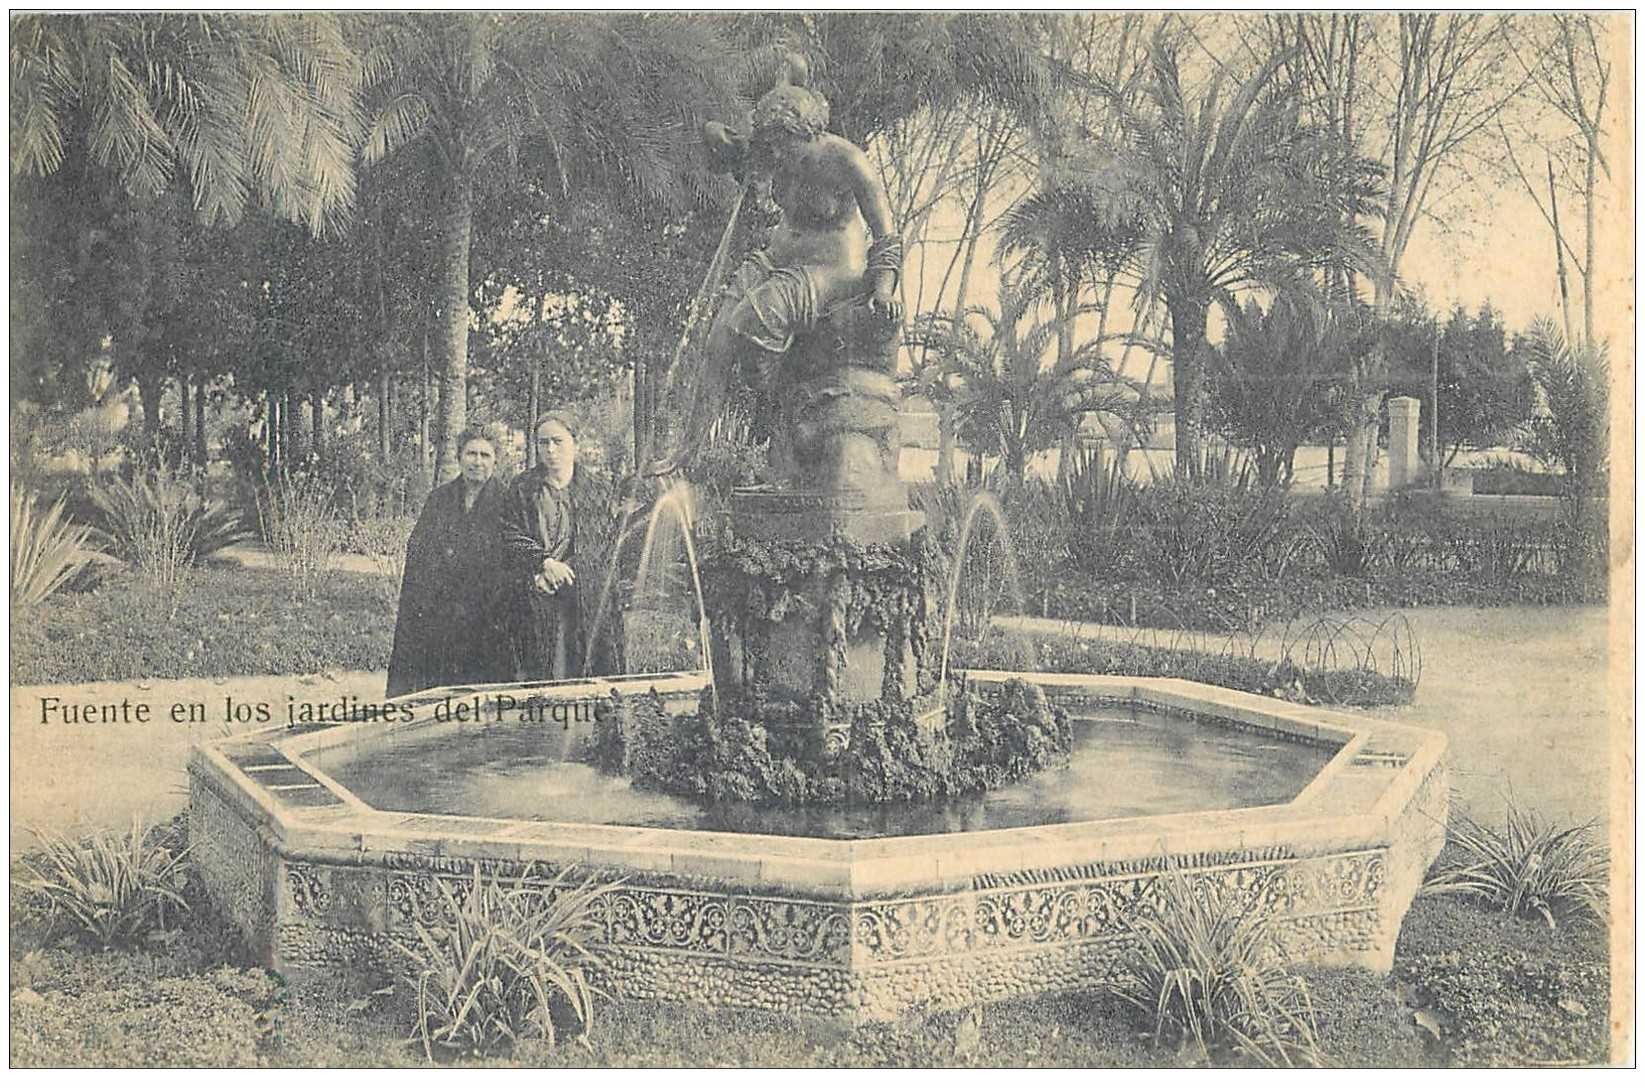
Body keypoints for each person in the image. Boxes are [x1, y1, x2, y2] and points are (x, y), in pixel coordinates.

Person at [647, 54, 904, 478]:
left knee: (747, 323)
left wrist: (882, 289)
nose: (777, 157)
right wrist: (725, 143)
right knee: (716, 342)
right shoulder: (774, 148)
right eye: (772, 147)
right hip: (777, 258)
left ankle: (775, 403)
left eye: (785, 147)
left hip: (831, 270)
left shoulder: (845, 160)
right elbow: (714, 140)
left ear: (807, 134)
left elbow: (887, 233)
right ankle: (685, 452)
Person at [385, 426, 513, 698]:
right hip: (442, 615)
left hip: (487, 618)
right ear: (459, 457)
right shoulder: (440, 499)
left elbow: (512, 559)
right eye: (471, 454)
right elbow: (419, 552)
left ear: (495, 461)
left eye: (485, 455)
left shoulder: (508, 502)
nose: (477, 461)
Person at [501, 411, 612, 681]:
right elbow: (509, 533)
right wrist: (543, 565)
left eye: (557, 441)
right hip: (535, 589)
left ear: (574, 442)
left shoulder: (597, 488)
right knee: (539, 671)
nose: (550, 450)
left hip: (583, 591)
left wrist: (567, 570)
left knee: (585, 669)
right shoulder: (523, 487)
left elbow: (604, 542)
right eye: (543, 443)